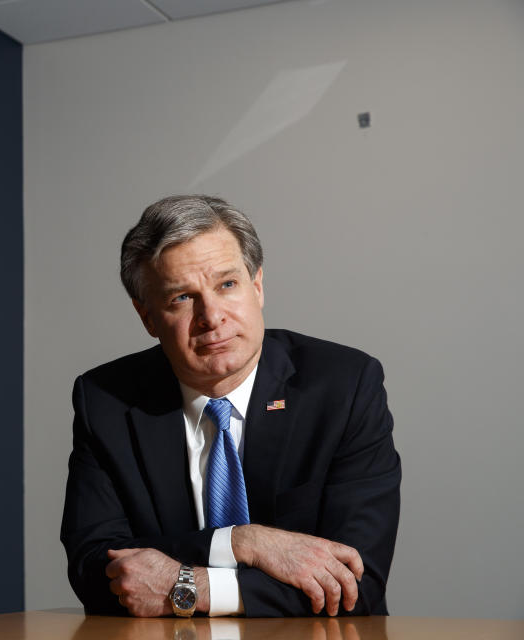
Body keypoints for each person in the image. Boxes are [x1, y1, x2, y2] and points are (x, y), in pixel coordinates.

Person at [60, 195, 401, 618]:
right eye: (182, 298)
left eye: (226, 285)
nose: (211, 316)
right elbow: (95, 568)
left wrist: (190, 587)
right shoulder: (106, 400)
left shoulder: (344, 386)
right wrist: (243, 542)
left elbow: (355, 584)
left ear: (257, 286)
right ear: (147, 316)